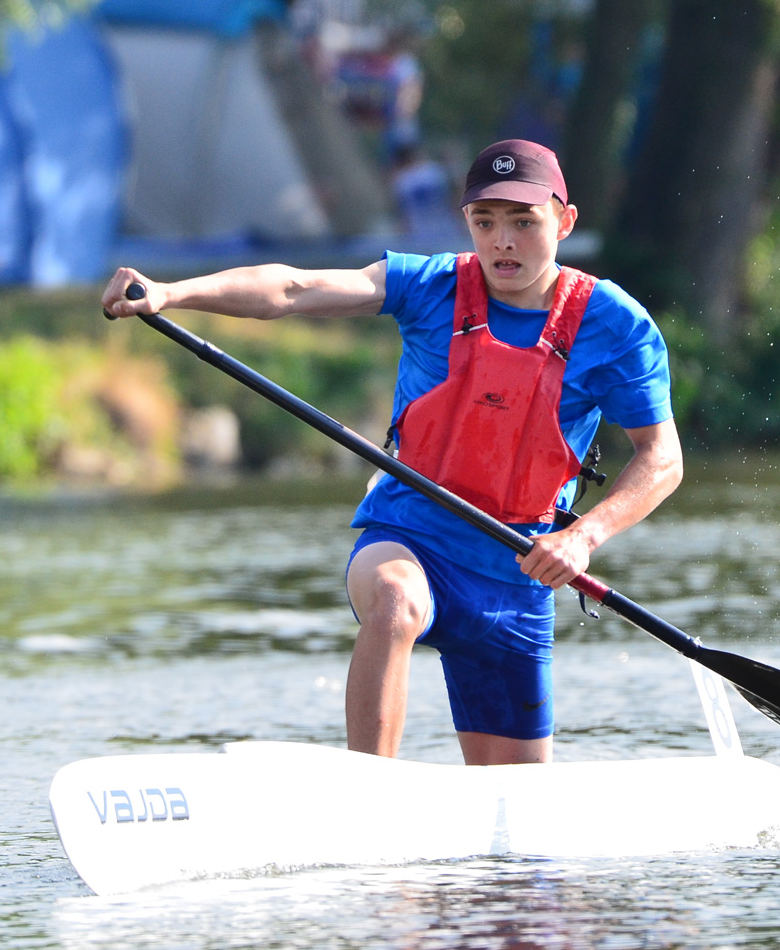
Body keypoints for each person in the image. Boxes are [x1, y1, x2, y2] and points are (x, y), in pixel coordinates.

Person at [102, 140, 682, 766]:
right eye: (485, 222)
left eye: (523, 221)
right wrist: (170, 294)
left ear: (565, 221)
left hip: (517, 577)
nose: (502, 242)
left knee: (523, 842)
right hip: (410, 538)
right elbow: (295, 288)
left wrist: (584, 537)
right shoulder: (429, 285)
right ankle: (371, 790)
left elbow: (662, 459)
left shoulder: (614, 325)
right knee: (396, 598)